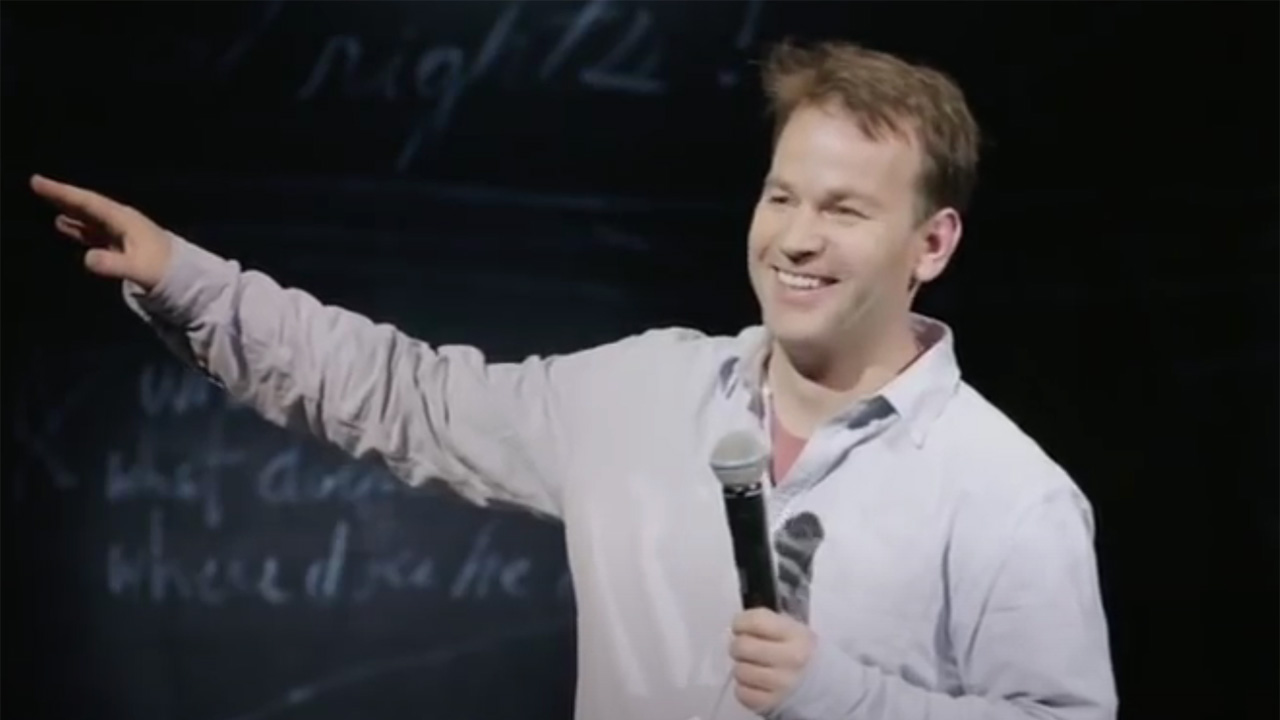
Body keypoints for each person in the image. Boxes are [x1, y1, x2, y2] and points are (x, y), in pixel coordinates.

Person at [31, 40, 1117, 720]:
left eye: (843, 209)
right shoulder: (643, 395)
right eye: (780, 196)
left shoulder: (1004, 493)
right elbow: (409, 398)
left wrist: (846, 699)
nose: (793, 237)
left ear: (930, 244)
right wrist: (186, 281)